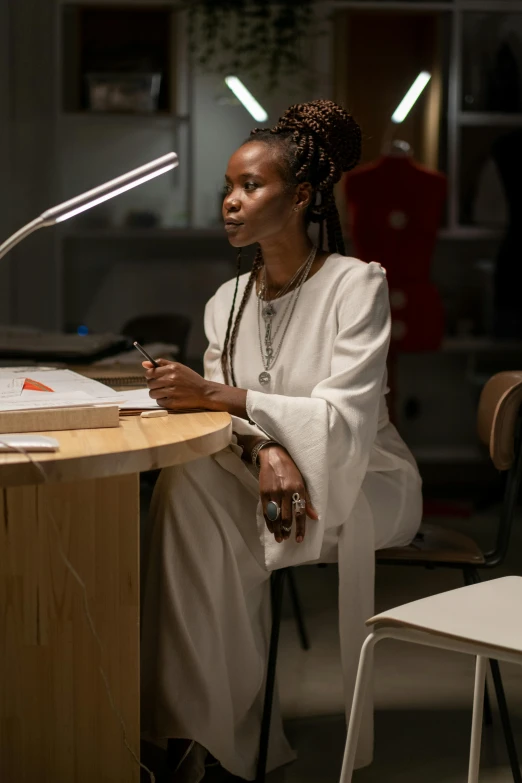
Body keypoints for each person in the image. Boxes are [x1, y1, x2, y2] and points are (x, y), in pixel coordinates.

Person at [140, 99, 422, 783]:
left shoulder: (357, 285)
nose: (231, 203)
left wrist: (224, 396)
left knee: (215, 527)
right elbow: (225, 429)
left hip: (364, 478)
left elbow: (343, 421)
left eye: (250, 186)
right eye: (227, 190)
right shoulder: (225, 299)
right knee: (185, 488)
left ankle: (205, 735)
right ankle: (195, 728)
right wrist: (266, 449)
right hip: (271, 471)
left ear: (300, 196)